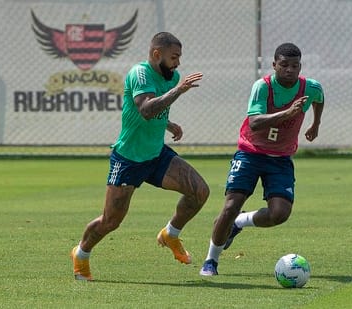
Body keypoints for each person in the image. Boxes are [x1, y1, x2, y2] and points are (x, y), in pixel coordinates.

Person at [71, 32, 210, 281]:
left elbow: (158, 109)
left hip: (156, 155)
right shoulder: (141, 73)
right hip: (129, 159)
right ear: (157, 54)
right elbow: (146, 109)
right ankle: (81, 254)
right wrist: (178, 91)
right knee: (111, 221)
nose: (178, 63)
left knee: (199, 191)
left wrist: (169, 125)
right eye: (174, 57)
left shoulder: (173, 77)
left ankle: (170, 234)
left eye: (179, 57)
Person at [199, 42, 324, 276]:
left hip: (280, 158)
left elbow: (319, 97)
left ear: (300, 67)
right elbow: (255, 122)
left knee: (280, 214)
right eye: (284, 65)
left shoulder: (310, 87)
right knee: (230, 206)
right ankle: (211, 260)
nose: (289, 70)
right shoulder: (262, 87)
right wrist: (287, 114)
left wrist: (315, 124)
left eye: (294, 66)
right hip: (250, 152)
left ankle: (240, 223)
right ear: (274, 65)